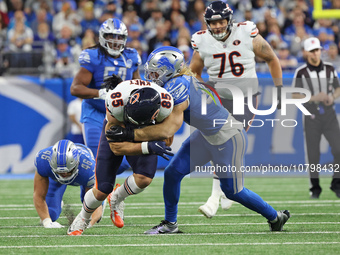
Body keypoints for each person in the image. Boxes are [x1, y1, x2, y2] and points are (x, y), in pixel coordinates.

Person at [105, 46, 290, 233]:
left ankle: (275, 217)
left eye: (156, 73)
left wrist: (129, 134)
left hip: (228, 138)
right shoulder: (176, 82)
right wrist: (124, 87)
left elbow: (170, 128)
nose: (151, 77)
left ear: (170, 72)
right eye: (150, 72)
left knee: (233, 191)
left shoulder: (178, 85)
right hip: (206, 136)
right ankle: (170, 224)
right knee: (172, 174)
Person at [189, 1, 283, 218]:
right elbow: (193, 72)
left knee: (224, 144)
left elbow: (271, 58)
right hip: (219, 100)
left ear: (229, 20)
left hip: (245, 100)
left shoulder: (246, 32)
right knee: (219, 144)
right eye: (213, 22)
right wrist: (205, 91)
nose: (218, 26)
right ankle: (222, 191)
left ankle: (214, 198)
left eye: (221, 21)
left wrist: (278, 90)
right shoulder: (201, 40)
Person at [67, 76, 174, 236]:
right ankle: (83, 217)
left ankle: (117, 197)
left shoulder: (166, 103)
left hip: (147, 129)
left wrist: (151, 136)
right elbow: (116, 148)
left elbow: (167, 137)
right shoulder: (117, 102)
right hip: (121, 125)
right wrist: (147, 145)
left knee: (144, 178)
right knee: (102, 189)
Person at [70, 18, 140, 170]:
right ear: (102, 37)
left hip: (121, 115)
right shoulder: (93, 56)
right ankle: (89, 193)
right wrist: (100, 92)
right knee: (96, 164)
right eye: (111, 36)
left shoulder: (131, 56)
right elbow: (75, 88)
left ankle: (107, 190)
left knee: (122, 165)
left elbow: (138, 85)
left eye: (119, 37)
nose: (115, 41)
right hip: (95, 113)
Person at [292, 37, 340, 199]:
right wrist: (314, 97)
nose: (315, 54)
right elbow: (295, 95)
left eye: (317, 50)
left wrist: (332, 97)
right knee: (313, 154)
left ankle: (336, 182)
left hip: (329, 114)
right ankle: (315, 187)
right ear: (306, 53)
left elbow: (337, 88)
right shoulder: (301, 72)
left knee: (339, 149)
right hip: (311, 115)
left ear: (321, 50)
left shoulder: (329, 68)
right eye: (311, 51)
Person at [33, 139, 104, 229]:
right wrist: (47, 222)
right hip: (55, 180)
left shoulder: (89, 168)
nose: (64, 175)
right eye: (60, 172)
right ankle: (57, 205)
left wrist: (86, 225)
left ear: (76, 163)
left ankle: (104, 198)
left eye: (68, 171)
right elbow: (38, 195)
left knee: (88, 202)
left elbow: (96, 205)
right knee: (51, 215)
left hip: (81, 175)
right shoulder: (43, 160)